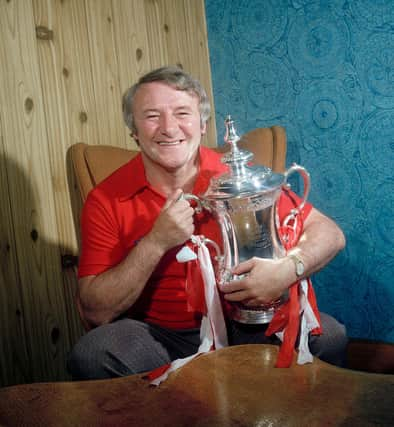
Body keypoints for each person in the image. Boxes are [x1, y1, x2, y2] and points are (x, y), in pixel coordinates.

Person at [67, 66, 348, 380]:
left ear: (202, 125)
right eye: (151, 116)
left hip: (246, 324)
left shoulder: (235, 178)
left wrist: (287, 269)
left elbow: (330, 234)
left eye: (182, 113)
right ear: (134, 130)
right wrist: (156, 241)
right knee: (92, 354)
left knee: (329, 337)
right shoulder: (106, 198)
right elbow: (95, 309)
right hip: (159, 337)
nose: (169, 128)